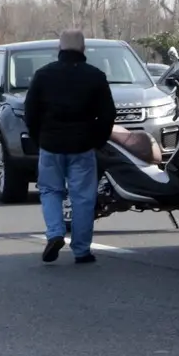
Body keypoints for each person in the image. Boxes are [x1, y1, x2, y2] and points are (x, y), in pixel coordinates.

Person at [24, 29, 116, 265]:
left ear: (60, 49)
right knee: (83, 197)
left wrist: (39, 138)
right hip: (82, 145)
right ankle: (82, 250)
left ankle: (55, 233)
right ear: (83, 49)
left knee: (50, 190)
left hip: (51, 144)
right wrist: (98, 140)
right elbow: (107, 114)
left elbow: (31, 112)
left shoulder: (43, 75)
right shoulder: (95, 76)